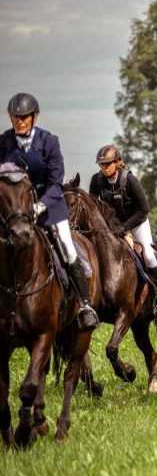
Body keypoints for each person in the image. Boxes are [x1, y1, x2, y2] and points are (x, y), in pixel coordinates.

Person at [0, 93, 99, 330]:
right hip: (14, 211)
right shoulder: (4, 142)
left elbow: (56, 183)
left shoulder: (49, 142)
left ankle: (85, 305)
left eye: (24, 117)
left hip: (49, 208)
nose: (20, 121)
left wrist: (39, 205)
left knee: (66, 246)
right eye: (16, 117)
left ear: (34, 117)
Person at [89, 144, 157, 283]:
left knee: (149, 256)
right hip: (113, 226)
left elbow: (144, 209)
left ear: (116, 162)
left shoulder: (130, 180)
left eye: (107, 164)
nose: (104, 168)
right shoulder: (96, 181)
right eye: (101, 165)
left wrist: (124, 228)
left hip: (136, 223)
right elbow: (93, 208)